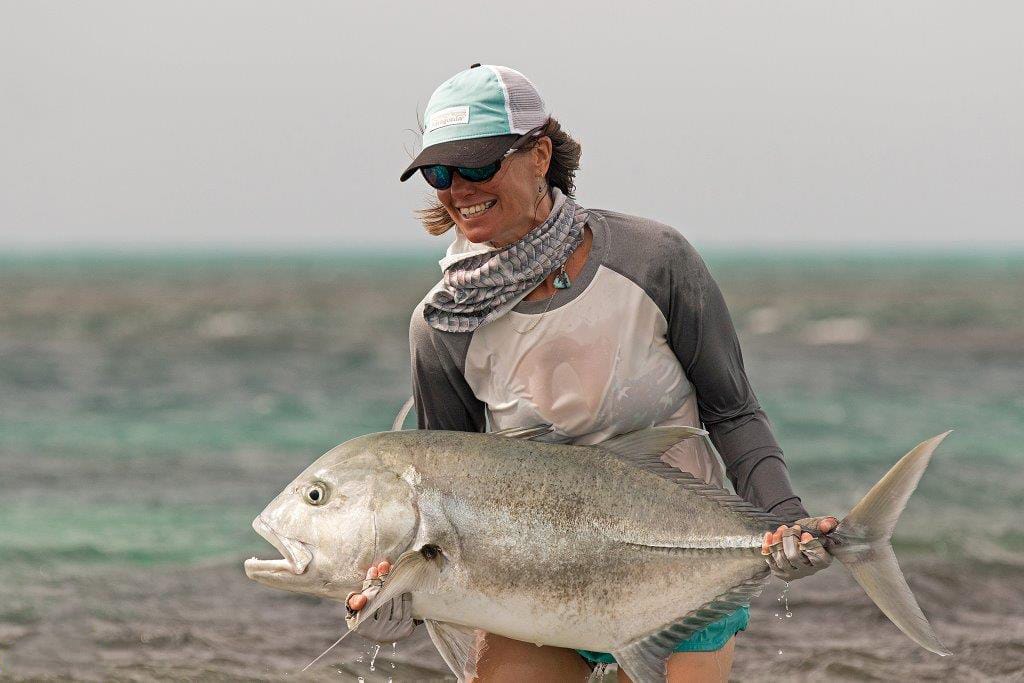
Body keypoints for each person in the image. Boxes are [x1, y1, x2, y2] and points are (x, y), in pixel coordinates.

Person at [346, 64, 838, 682]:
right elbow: (446, 489)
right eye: (440, 173)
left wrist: (783, 514)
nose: (458, 189)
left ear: (539, 155)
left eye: (476, 166)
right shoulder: (441, 324)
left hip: (674, 567)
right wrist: (404, 596)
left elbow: (731, 410)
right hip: (530, 580)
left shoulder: (655, 260)